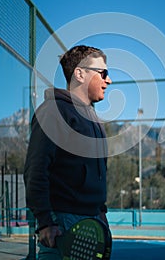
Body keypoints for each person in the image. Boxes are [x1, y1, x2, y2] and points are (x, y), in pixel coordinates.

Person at [24, 45, 112, 259]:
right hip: (62, 224)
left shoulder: (93, 120)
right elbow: (35, 169)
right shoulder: (53, 111)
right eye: (103, 73)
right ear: (80, 74)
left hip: (92, 220)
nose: (108, 80)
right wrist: (45, 221)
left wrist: (101, 211)